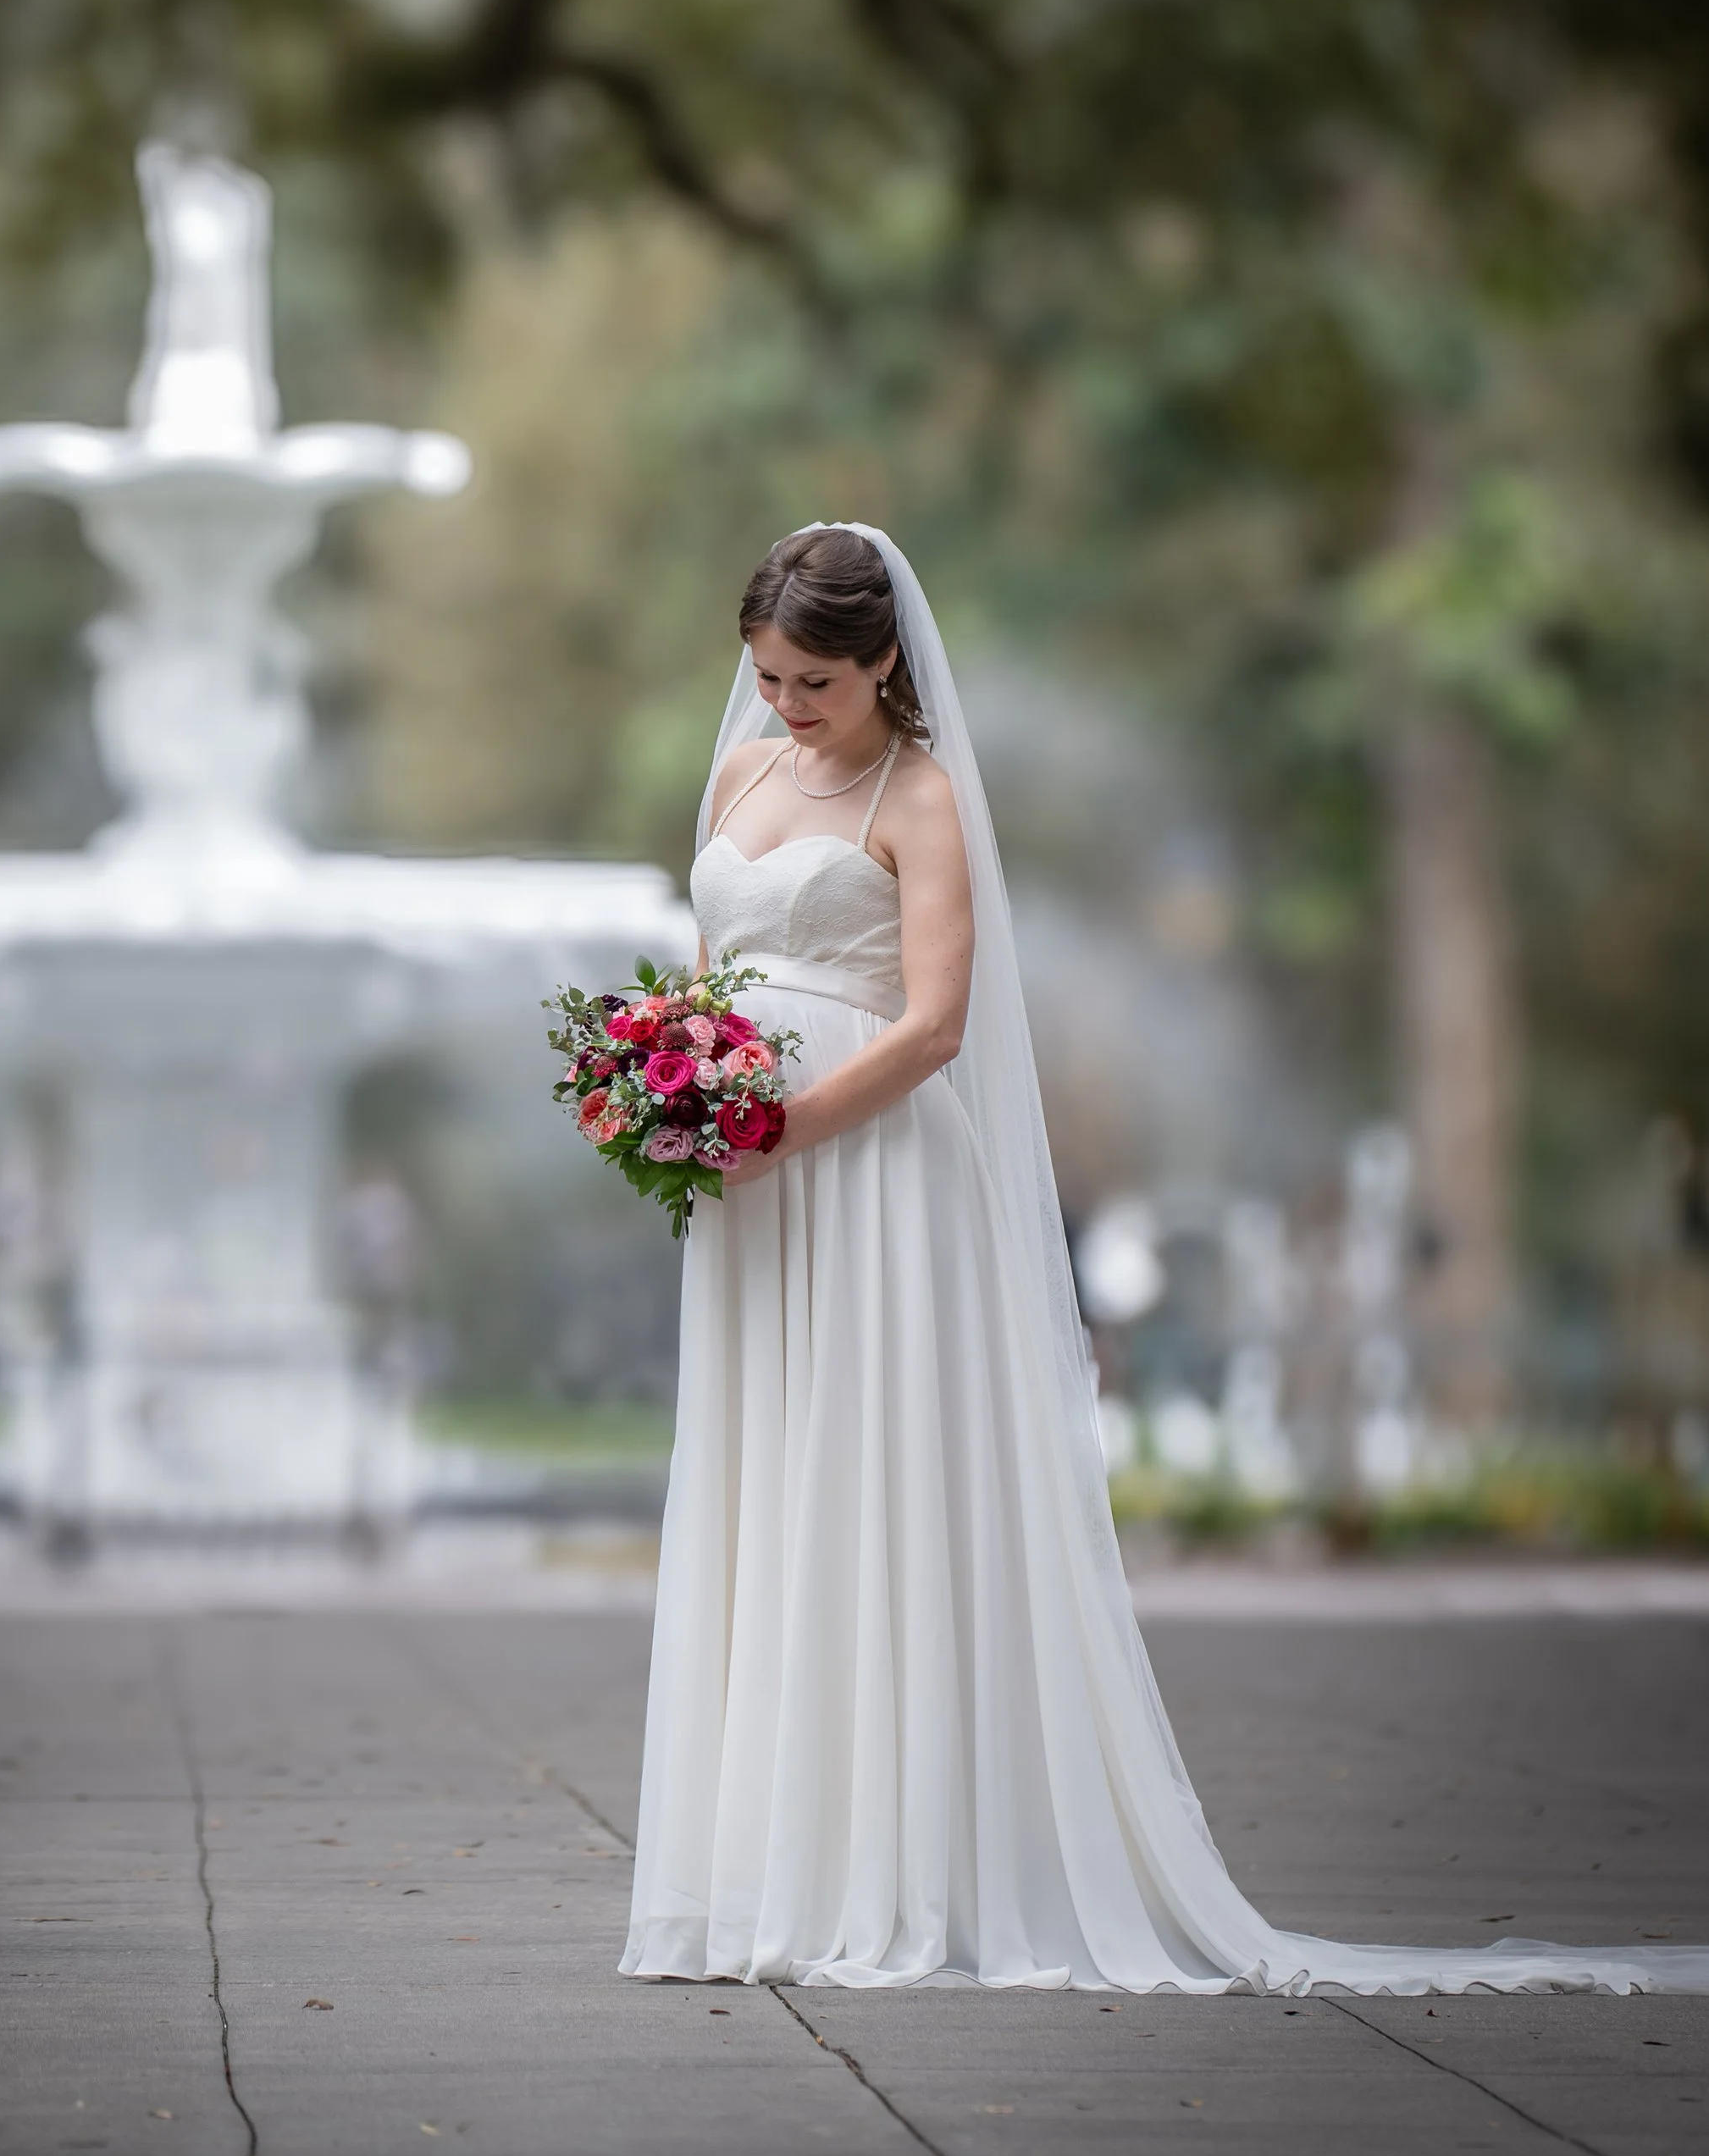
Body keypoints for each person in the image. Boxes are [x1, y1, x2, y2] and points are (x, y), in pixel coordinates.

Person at [621, 522, 1709, 1994]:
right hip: (757, 1193)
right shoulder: (748, 772)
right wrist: (673, 1080)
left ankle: (877, 1868)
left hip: (871, 1175)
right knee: (766, 1481)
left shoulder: (922, 797)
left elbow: (936, 1024)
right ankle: (757, 1860)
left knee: (864, 1484)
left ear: (884, 661)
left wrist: (790, 1121)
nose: (783, 705)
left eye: (813, 679)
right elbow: (712, 969)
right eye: (764, 676)